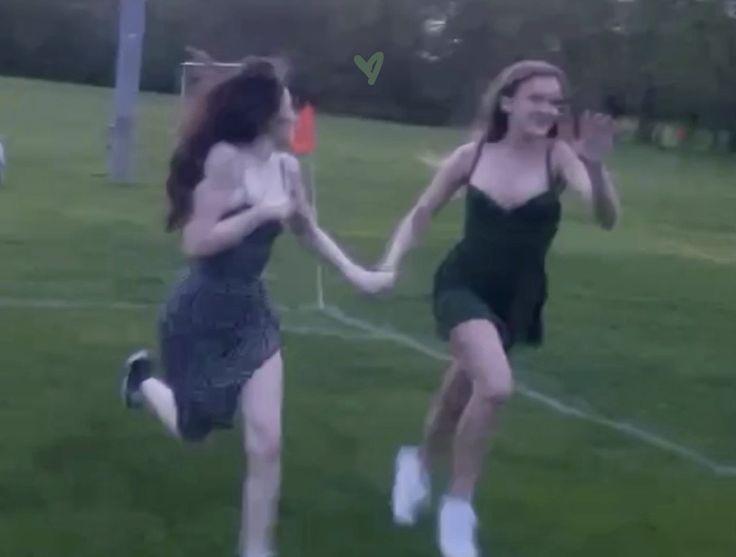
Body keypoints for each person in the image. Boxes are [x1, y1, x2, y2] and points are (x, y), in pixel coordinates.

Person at [120, 57, 393, 557]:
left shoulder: (288, 167)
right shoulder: (226, 159)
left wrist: (357, 273)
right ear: (265, 116)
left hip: (252, 316)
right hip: (199, 316)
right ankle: (141, 383)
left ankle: (256, 548)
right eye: (289, 111)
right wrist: (262, 213)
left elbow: (307, 230)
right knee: (191, 429)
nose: (296, 119)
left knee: (265, 441)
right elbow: (197, 242)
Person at [379, 60, 620, 557]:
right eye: (537, 98)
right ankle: (458, 509)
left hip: (518, 297)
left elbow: (606, 218)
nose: (548, 110)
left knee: (458, 396)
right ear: (507, 101)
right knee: (496, 384)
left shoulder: (560, 157)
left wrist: (595, 165)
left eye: (556, 102)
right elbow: (422, 213)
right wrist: (390, 262)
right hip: (463, 285)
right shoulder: (472, 156)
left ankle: (417, 465)